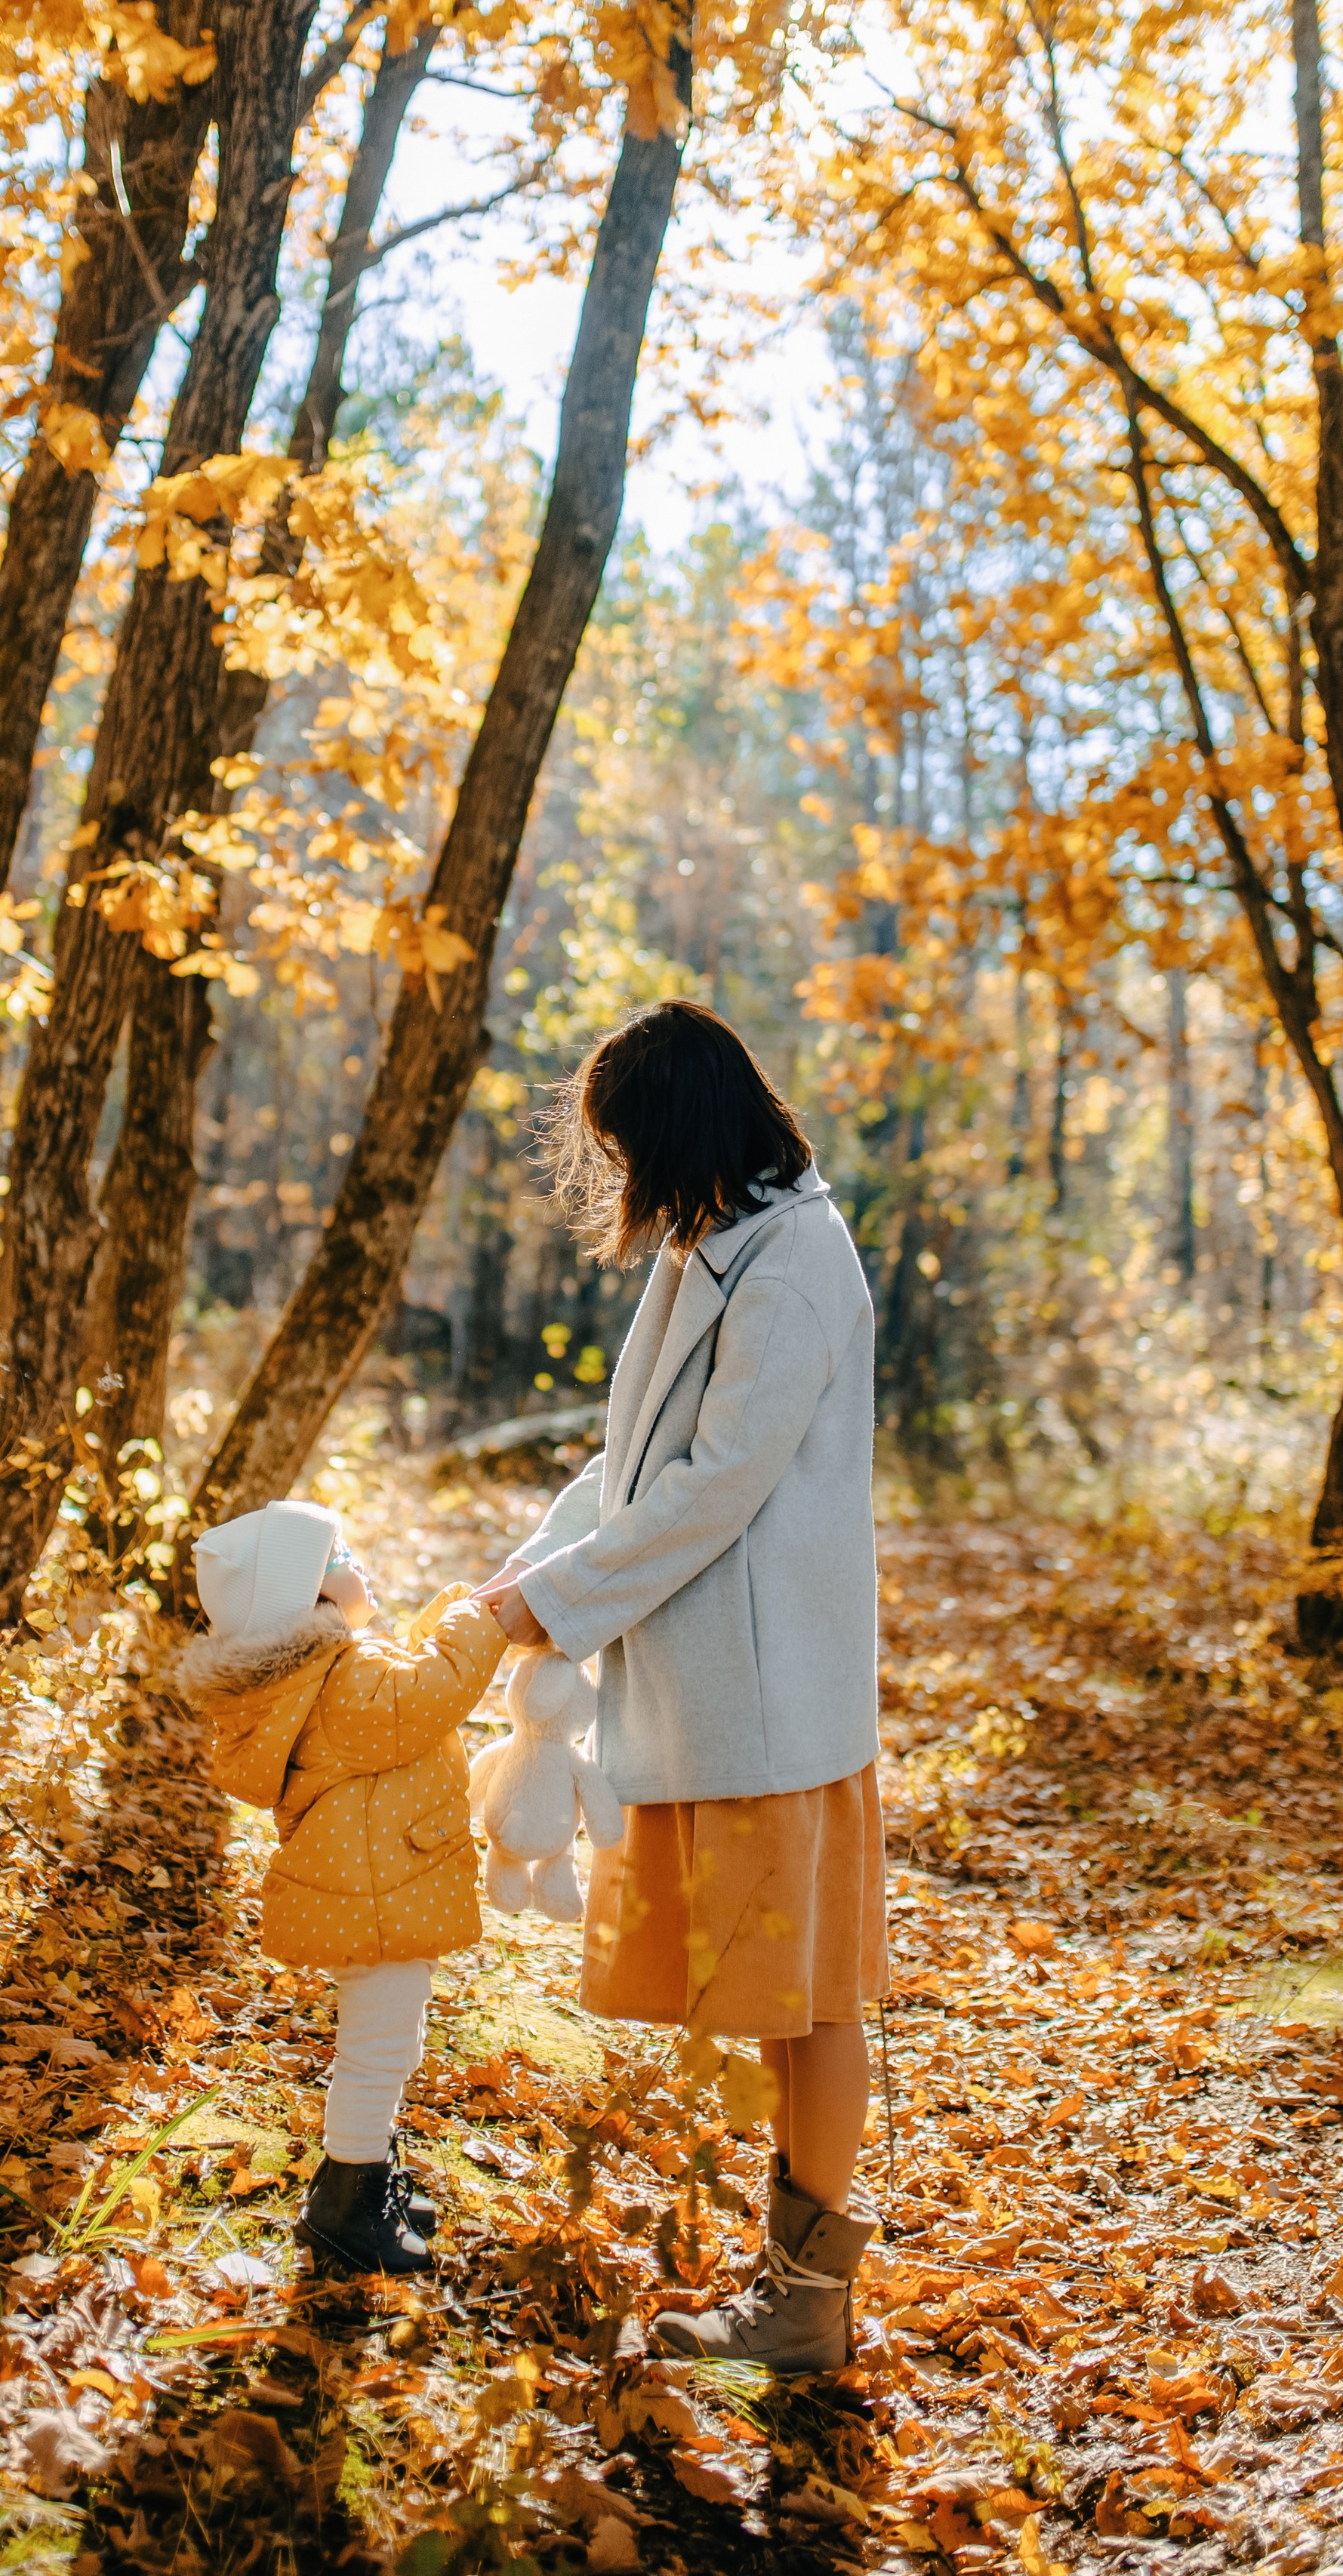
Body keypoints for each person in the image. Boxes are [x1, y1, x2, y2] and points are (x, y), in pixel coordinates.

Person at [474, 1000, 887, 2371]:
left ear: (683, 1130)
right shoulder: (722, 1236)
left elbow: (713, 1490)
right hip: (736, 1685)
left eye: (627, 1146)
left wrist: (555, 1601)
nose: (622, 1176)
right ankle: (798, 2289)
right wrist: (530, 1569)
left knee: (811, 2003)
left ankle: (807, 2299)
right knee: (791, 2005)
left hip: (771, 1700)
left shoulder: (788, 1265)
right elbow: (638, 1458)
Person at [183, 1498, 504, 2275]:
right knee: (380, 2048)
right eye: (340, 1557)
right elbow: (428, 1690)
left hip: (371, 1888)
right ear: (313, 1595)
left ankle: (363, 2174)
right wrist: (479, 1616)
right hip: (376, 1898)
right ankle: (345, 2203)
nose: (357, 1562)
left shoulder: (319, 1678)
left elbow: (401, 1682)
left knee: (389, 2043)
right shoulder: (343, 1682)